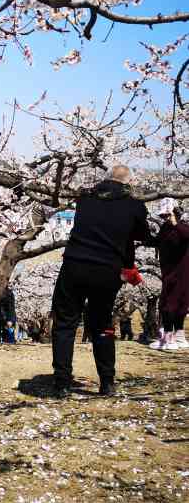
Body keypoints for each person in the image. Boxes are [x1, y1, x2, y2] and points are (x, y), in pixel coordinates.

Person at [50, 164, 153, 398]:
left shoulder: (85, 198)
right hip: (107, 271)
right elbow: (142, 235)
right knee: (102, 324)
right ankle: (107, 382)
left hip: (75, 265)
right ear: (129, 183)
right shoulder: (134, 206)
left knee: (65, 323)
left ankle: (62, 383)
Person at [150, 202, 189, 351]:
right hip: (169, 271)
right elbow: (157, 241)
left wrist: (174, 222)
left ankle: (168, 338)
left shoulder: (181, 227)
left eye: (167, 214)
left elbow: (186, 235)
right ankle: (178, 336)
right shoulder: (166, 229)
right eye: (163, 215)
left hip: (179, 272)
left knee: (169, 304)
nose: (164, 218)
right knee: (176, 303)